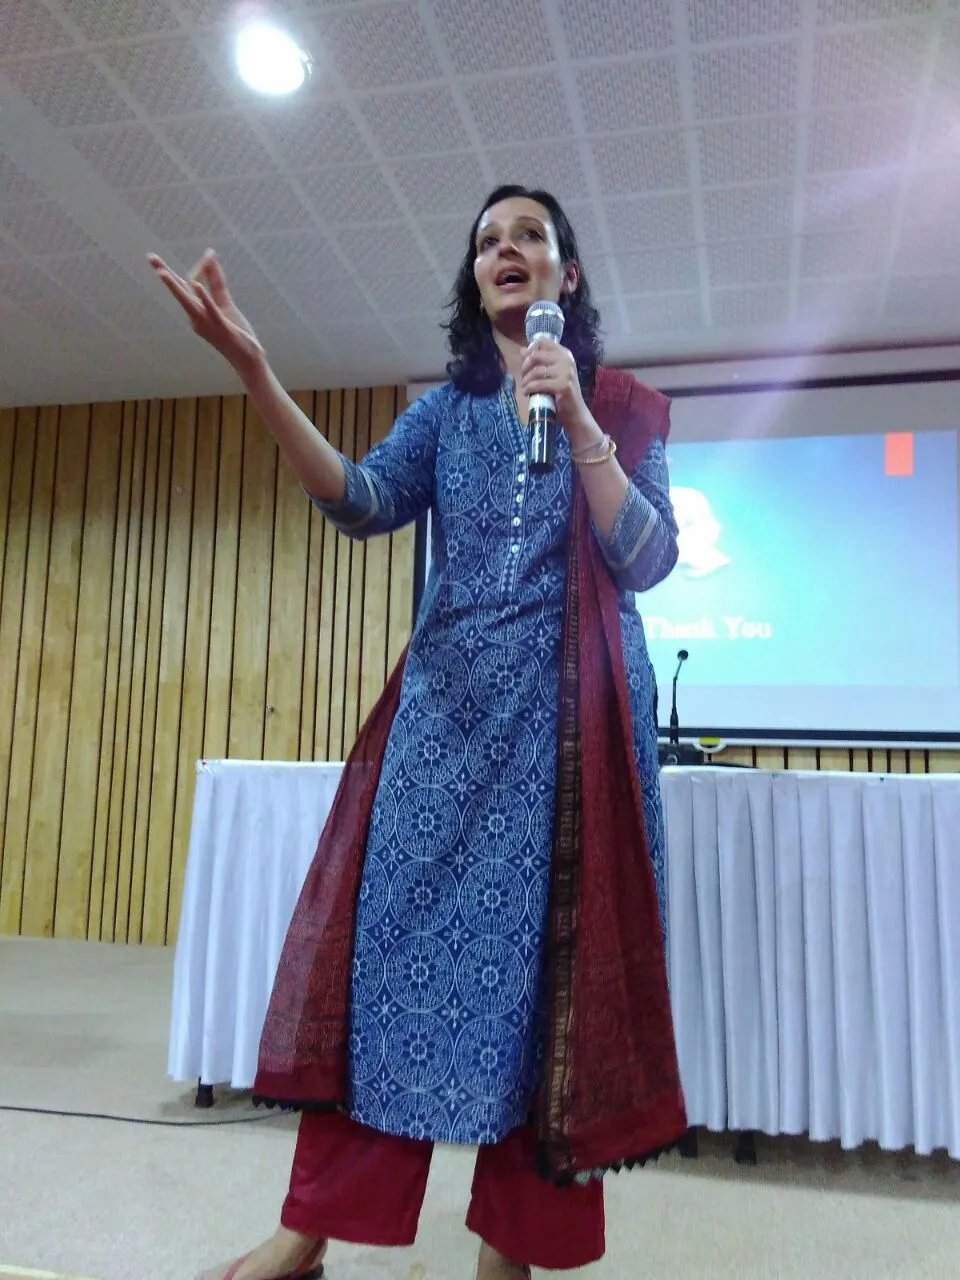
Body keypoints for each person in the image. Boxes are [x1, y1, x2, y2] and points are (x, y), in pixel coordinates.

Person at [149, 184, 687, 1280]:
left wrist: (580, 421)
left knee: (547, 994)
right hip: (442, 735)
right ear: (475, 280)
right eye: (488, 240)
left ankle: (507, 1258)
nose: (506, 248)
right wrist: (256, 372)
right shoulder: (445, 415)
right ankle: (306, 1233)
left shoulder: (621, 408)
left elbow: (647, 558)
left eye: (529, 235)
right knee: (382, 972)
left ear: (567, 275)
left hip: (567, 748)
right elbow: (358, 499)